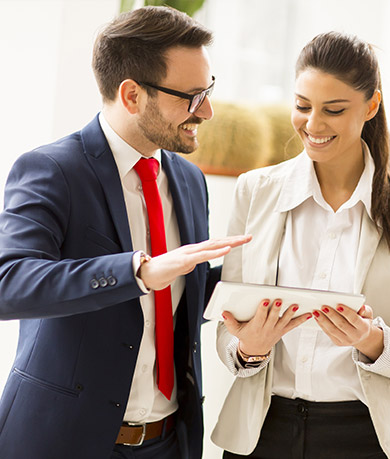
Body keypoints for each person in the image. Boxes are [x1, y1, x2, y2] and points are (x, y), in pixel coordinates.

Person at [0, 7, 251, 459]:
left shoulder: (190, 181)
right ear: (132, 95)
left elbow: (182, 292)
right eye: (192, 97)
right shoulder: (52, 170)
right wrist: (137, 272)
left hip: (169, 440)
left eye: (208, 91)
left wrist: (261, 290)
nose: (208, 111)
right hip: (65, 442)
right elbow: (9, 283)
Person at [210, 32, 390, 459]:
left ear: (371, 106)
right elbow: (229, 327)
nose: (313, 126)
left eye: (333, 110)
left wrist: (372, 340)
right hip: (262, 432)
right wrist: (249, 349)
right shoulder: (255, 192)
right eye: (302, 106)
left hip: (363, 437)